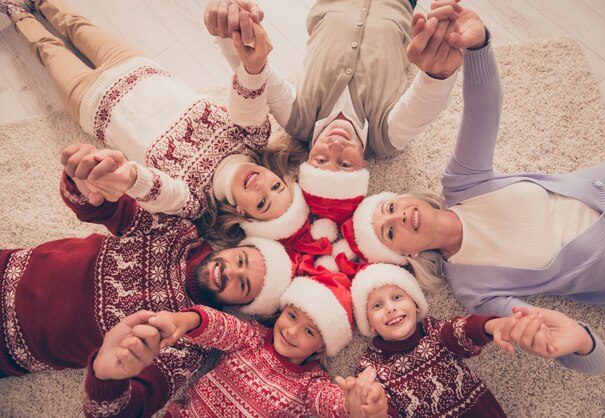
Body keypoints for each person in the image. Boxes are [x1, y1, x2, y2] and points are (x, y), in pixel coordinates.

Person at [340, 5, 605, 374]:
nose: (400, 216)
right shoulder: (475, 289)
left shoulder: (462, 182)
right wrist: (582, 342)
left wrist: (479, 47)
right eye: (390, 231)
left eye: (391, 206)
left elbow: (482, 109)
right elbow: (580, 353)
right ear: (406, 255)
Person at [0, 0, 312, 241]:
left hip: (92, 104)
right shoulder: (253, 139)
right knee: (75, 24)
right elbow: (249, 101)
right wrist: (254, 68)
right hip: (137, 67)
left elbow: (162, 192)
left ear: (243, 213)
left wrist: (129, 178)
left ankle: (19, 15)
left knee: (47, 48)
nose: (263, 187)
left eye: (262, 203)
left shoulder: (197, 204)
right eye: (275, 186)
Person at [0, 145, 296, 379]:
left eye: (242, 285)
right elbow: (103, 208)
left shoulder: (190, 341)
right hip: (7, 269)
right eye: (241, 260)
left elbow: (131, 404)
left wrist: (105, 377)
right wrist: (87, 182)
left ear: (239, 306)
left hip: (7, 350)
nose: (230, 270)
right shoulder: (181, 232)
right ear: (235, 247)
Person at [205, 0, 463, 228]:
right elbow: (424, 105)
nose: (335, 146)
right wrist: (437, 75)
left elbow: (258, 73)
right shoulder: (385, 137)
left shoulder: (299, 121)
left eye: (320, 161)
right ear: (363, 167)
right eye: (344, 164)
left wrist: (230, 32)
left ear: (307, 160)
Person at [83, 274, 389, 417]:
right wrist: (184, 322)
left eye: (309, 330)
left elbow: (330, 403)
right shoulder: (253, 338)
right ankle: (105, 377)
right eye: (291, 315)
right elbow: (220, 327)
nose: (292, 331)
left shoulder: (310, 384)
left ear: (321, 348)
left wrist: (355, 406)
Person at [349, 263, 605, 416]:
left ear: (416, 306)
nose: (391, 309)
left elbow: (462, 331)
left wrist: (496, 325)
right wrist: (373, 410)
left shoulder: (433, 330)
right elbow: (377, 404)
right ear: (369, 323)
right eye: (377, 306)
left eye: (397, 297)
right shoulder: (371, 366)